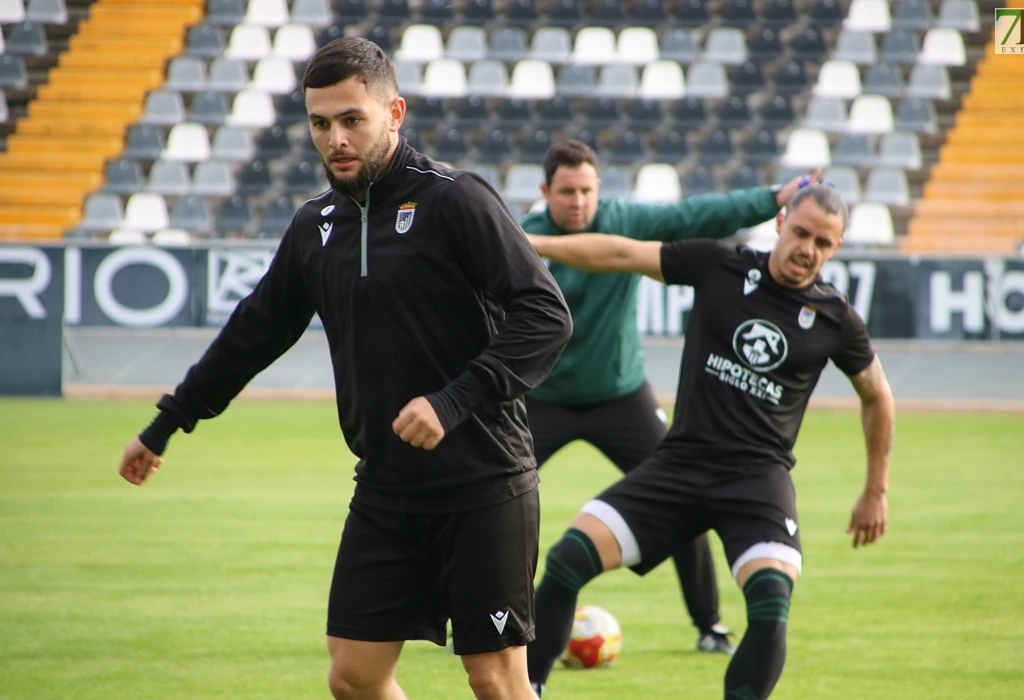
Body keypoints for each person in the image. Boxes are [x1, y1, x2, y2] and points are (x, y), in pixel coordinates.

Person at [116, 37, 573, 700]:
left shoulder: (456, 201)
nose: (335, 139)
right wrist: (167, 424)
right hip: (386, 489)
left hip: (483, 484)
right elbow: (252, 335)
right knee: (355, 678)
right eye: (320, 123)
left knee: (496, 679)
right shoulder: (313, 227)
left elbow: (546, 315)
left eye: (352, 119)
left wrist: (452, 401)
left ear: (395, 113)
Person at [522, 184, 895, 699]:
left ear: (836, 248)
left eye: (825, 243)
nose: (808, 248)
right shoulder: (720, 266)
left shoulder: (836, 318)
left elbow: (877, 394)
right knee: (567, 561)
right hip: (680, 464)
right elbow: (621, 252)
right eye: (802, 232)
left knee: (770, 607)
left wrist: (876, 488)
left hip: (758, 480)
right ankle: (528, 691)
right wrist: (536, 244)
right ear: (782, 221)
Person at [518, 139, 819, 654]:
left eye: (587, 190)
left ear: (599, 189)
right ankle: (465, 611)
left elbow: (697, 213)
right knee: (484, 494)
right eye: (566, 192)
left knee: (684, 495)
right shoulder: (516, 236)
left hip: (620, 397)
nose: (578, 202)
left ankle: (708, 624)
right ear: (546, 191)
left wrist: (773, 198)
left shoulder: (623, 220)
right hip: (540, 398)